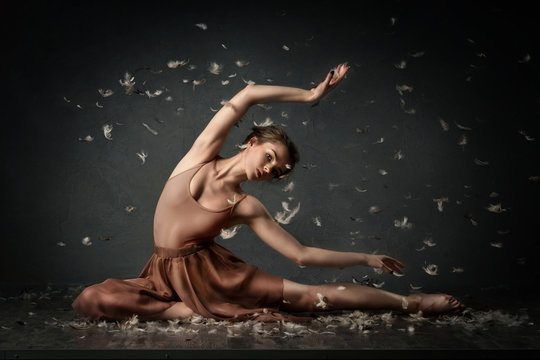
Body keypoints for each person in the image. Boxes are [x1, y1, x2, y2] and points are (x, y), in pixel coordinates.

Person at [72, 63, 464, 322]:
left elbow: (302, 255)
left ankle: (412, 304)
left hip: (213, 276)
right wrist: (311, 96)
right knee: (91, 300)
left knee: (311, 299)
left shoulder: (245, 206)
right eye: (271, 157)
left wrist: (367, 257)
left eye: (277, 172)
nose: (269, 169)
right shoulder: (199, 155)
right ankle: (192, 313)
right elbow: (248, 94)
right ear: (252, 141)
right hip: (163, 275)